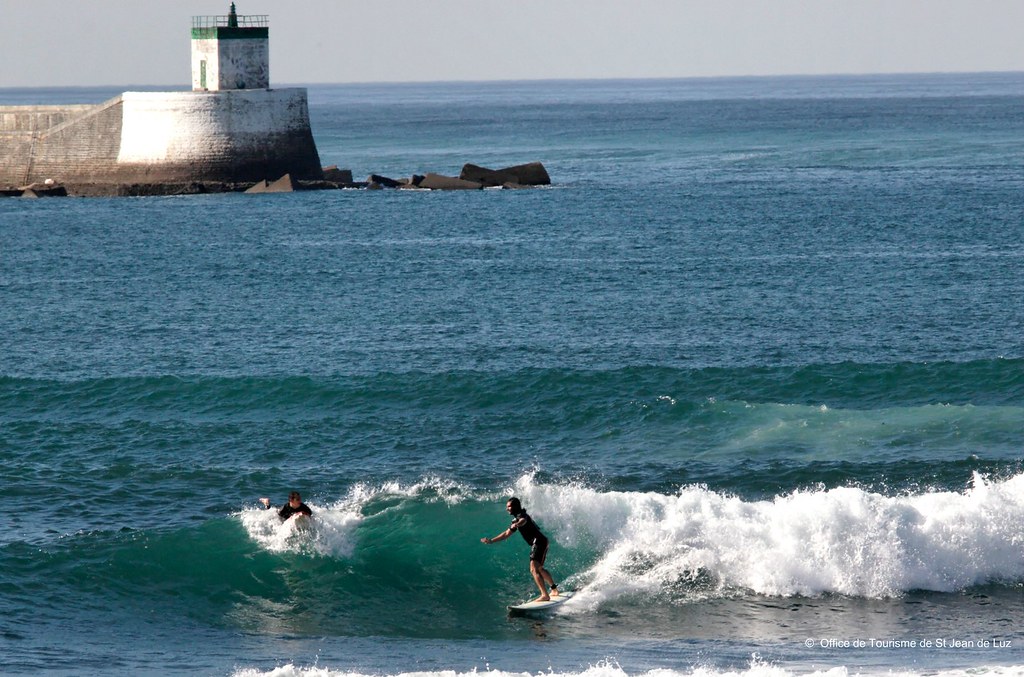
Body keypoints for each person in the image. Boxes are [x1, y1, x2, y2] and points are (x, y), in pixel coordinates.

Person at [481, 496, 559, 601]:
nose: (507, 509)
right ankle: (554, 590)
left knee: (533, 569)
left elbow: (523, 520)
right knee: (539, 568)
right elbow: (506, 534)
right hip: (541, 541)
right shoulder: (516, 519)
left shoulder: (521, 515)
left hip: (539, 542)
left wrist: (517, 524)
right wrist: (491, 541)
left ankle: (545, 595)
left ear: (515, 506)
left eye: (509, 506)